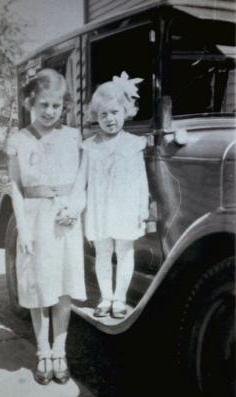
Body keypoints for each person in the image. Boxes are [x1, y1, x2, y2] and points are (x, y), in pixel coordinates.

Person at [6, 69, 86, 385]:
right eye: (43, 105)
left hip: (64, 218)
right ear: (30, 103)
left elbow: (81, 181)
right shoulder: (20, 140)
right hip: (36, 218)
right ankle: (42, 350)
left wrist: (75, 208)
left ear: (63, 105)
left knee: (62, 286)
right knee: (39, 286)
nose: (49, 112)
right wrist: (23, 229)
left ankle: (60, 350)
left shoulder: (72, 137)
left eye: (55, 105)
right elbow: (15, 185)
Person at [70, 71, 149, 319]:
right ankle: (105, 297)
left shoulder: (133, 144)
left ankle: (120, 299)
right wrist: (75, 207)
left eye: (115, 112)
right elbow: (81, 180)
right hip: (99, 208)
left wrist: (142, 209)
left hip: (125, 207)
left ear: (126, 111)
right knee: (103, 253)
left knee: (125, 252)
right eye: (103, 114)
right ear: (96, 117)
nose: (109, 119)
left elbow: (141, 179)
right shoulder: (90, 146)